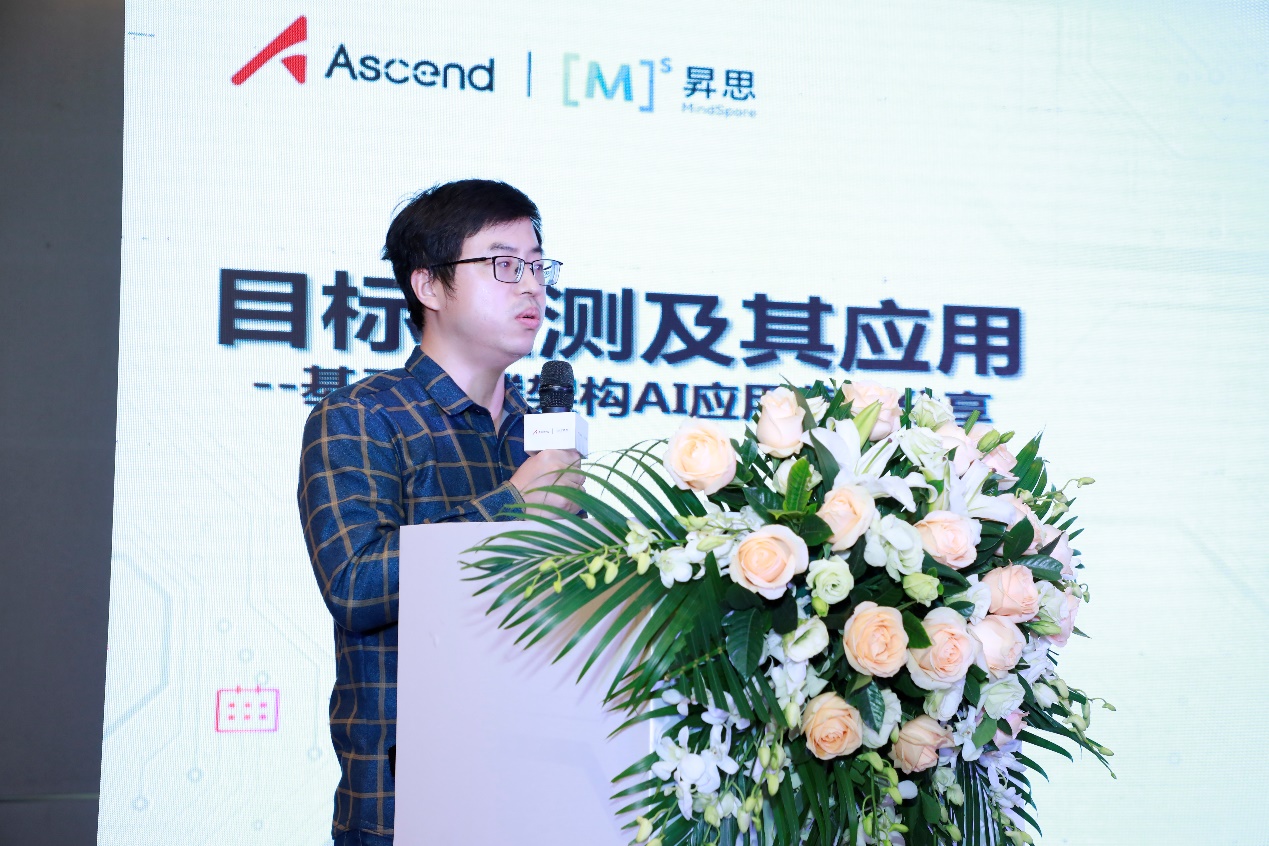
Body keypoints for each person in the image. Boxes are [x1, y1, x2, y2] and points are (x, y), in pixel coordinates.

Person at [297, 179, 585, 846]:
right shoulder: (363, 417)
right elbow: (355, 584)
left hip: (539, 797)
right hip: (406, 808)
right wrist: (513, 506)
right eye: (504, 264)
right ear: (428, 285)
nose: (532, 286)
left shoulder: (539, 439)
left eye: (537, 265)